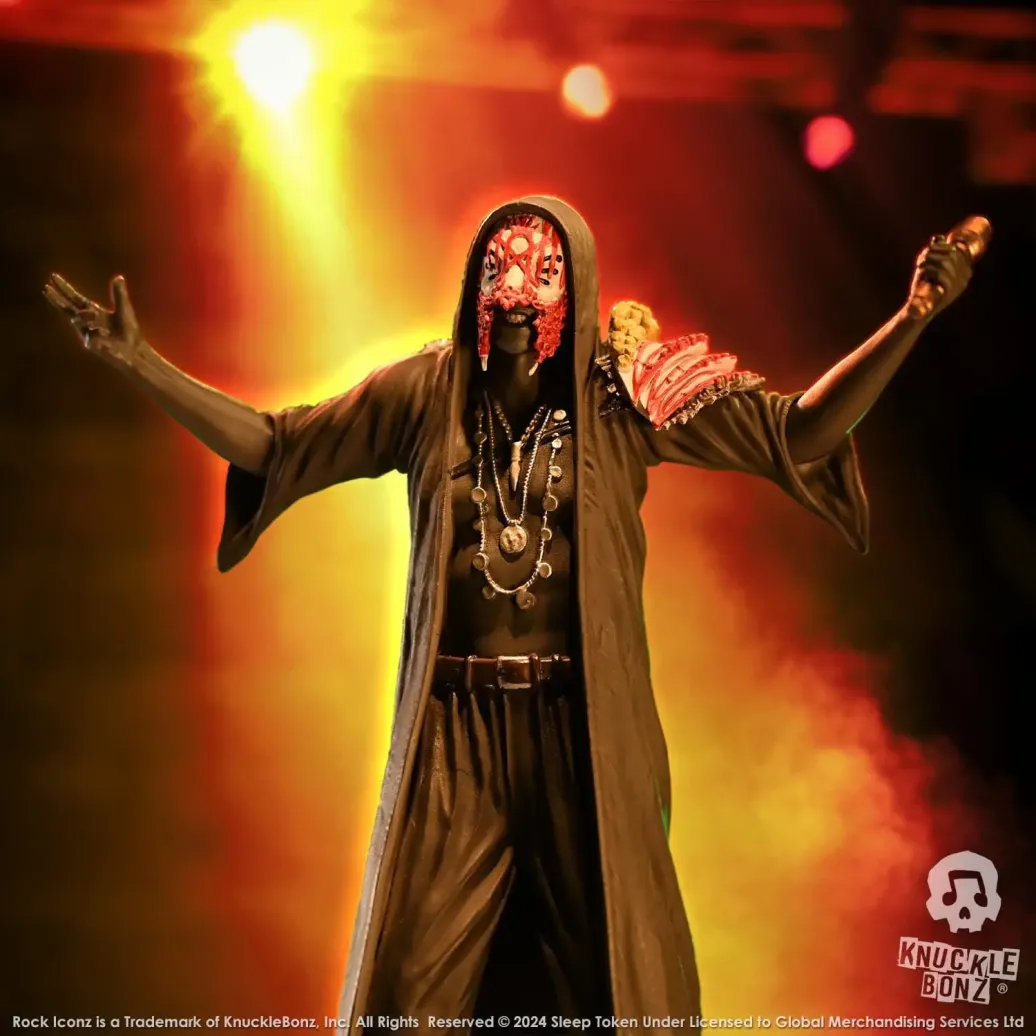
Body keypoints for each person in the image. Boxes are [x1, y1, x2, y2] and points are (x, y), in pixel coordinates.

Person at [44, 195, 974, 1031]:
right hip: (456, 740)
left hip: (579, 734)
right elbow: (276, 444)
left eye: (541, 271)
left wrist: (913, 318)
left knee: (608, 985)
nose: (518, 290)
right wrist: (142, 363)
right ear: (474, 287)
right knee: (408, 995)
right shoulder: (425, 391)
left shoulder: (624, 390)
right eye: (499, 269)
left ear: (576, 286)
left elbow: (798, 432)